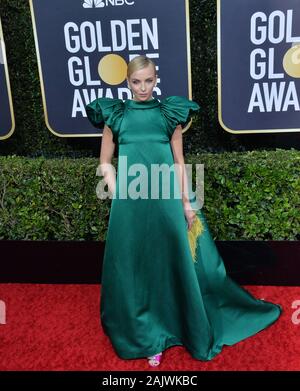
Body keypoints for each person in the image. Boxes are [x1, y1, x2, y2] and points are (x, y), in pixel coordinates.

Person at [85, 55, 282, 367]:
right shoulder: (116, 115)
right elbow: (104, 161)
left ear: (156, 79)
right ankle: (147, 335)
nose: (143, 87)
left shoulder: (168, 114)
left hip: (165, 199)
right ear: (127, 81)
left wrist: (188, 204)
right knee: (137, 268)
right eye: (136, 82)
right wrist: (115, 186)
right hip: (131, 203)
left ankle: (175, 328)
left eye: (148, 80)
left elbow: (178, 163)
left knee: (170, 263)